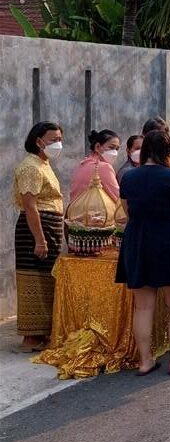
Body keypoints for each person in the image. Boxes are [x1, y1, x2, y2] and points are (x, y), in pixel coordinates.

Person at [116, 130, 170, 376]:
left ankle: (145, 361)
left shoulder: (129, 177)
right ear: (168, 151)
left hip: (137, 240)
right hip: (167, 238)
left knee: (143, 307)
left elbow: (127, 211)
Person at [14, 121, 65, 351]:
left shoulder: (44, 164)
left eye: (59, 139)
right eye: (53, 140)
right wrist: (40, 239)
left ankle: (42, 333)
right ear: (38, 141)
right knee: (32, 279)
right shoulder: (30, 166)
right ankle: (30, 338)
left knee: (46, 279)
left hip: (49, 227)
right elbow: (30, 205)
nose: (58, 144)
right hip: (35, 230)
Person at [69, 129, 120, 204]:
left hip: (75, 212)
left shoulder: (82, 165)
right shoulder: (103, 167)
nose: (115, 152)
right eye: (111, 147)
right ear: (97, 147)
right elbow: (117, 197)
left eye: (117, 149)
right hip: (96, 213)